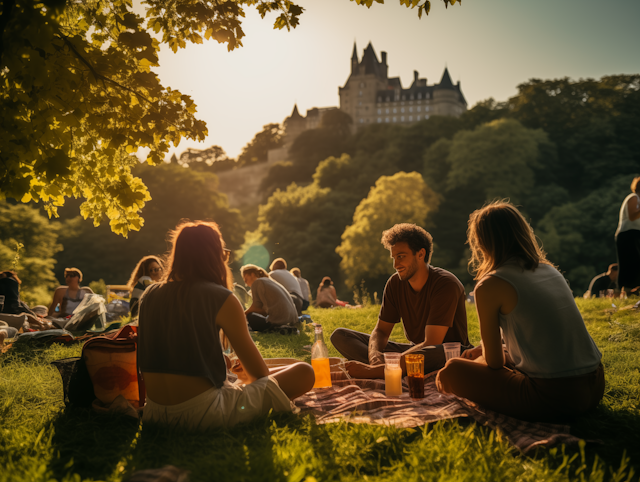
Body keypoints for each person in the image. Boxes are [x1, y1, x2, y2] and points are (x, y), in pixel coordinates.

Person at [437, 202, 604, 422]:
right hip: (596, 385)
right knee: (476, 362)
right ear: (522, 231)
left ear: (482, 243)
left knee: (451, 371)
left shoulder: (490, 284)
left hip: (557, 397)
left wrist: (482, 359)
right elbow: (541, 338)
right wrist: (491, 352)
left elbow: (494, 363)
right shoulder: (550, 270)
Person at [138, 221, 314, 430]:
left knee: (241, 374)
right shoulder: (220, 297)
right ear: (213, 255)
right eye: (223, 252)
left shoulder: (149, 295)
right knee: (304, 371)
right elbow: (260, 376)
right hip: (204, 414)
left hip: (155, 412)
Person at [331, 223, 470, 379]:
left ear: (420, 254)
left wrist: (388, 363)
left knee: (438, 351)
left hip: (445, 354)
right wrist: (375, 355)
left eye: (401, 256)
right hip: (414, 353)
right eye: (394, 258)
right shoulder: (395, 283)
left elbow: (432, 342)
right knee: (341, 336)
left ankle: (381, 371)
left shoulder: (445, 284)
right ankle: (388, 368)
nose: (396, 265)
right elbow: (381, 331)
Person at [240, 264, 299, 332]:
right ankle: (281, 328)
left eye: (246, 280)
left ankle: (277, 329)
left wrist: (241, 315)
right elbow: (264, 311)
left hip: (280, 321)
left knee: (251, 316)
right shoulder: (269, 281)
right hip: (292, 320)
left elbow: (256, 307)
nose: (246, 284)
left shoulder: (257, 282)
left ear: (252, 275)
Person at [0, 270, 48, 335]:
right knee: (25, 316)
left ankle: (40, 324)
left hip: (20, 313)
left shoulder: (8, 286)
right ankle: (41, 325)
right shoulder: (8, 283)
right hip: (14, 315)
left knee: (41, 308)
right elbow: (17, 309)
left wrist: (32, 313)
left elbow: (20, 306)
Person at [615, 176, 640, 294]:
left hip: (636, 234)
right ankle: (626, 290)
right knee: (629, 262)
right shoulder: (633, 197)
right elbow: (632, 216)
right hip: (628, 234)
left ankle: (634, 290)